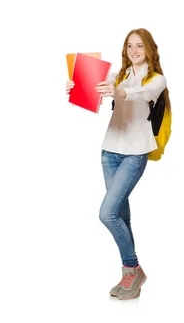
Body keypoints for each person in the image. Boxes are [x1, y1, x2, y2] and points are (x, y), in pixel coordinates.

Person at [65, 28, 169, 300]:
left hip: (135, 153)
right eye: (129, 46)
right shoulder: (119, 75)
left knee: (107, 213)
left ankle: (132, 268)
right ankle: (129, 275)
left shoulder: (157, 79)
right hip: (109, 151)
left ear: (149, 49)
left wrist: (118, 92)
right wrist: (77, 86)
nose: (134, 51)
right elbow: (96, 90)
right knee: (120, 215)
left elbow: (140, 93)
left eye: (139, 46)